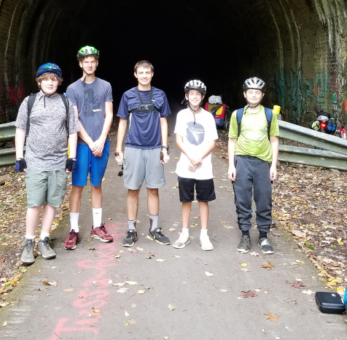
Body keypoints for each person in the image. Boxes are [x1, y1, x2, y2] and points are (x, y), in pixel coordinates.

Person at [15, 63, 79, 265]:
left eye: (54, 79)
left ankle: (44, 239)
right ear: (39, 81)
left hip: (58, 161)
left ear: (58, 82)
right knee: (35, 203)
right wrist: (19, 156)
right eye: (46, 79)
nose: (50, 82)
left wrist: (72, 157)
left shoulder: (66, 103)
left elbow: (72, 131)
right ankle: (28, 242)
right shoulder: (29, 102)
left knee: (52, 202)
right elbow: (20, 130)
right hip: (35, 160)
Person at [115, 60, 171, 247]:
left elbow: (164, 122)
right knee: (133, 189)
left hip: (154, 147)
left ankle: (154, 228)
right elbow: (122, 122)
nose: (145, 75)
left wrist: (164, 147)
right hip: (133, 147)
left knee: (153, 189)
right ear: (135, 74)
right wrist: (119, 149)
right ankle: (131, 229)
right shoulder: (128, 95)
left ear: (152, 74)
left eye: (148, 72)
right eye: (141, 72)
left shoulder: (160, 95)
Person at [64, 46, 114, 249]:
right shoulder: (73, 89)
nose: (90, 64)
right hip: (82, 145)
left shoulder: (105, 86)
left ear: (97, 63)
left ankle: (97, 225)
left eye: (93, 60)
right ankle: (74, 229)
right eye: (86, 61)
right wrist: (91, 142)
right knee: (77, 186)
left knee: (96, 184)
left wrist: (101, 139)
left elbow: (109, 114)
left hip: (101, 142)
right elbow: (74, 119)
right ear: (80, 64)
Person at [228, 77, 279, 255]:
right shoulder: (238, 115)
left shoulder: (269, 115)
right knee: (242, 200)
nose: (254, 95)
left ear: (262, 95)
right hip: (242, 161)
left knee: (264, 200)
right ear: (244, 94)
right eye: (250, 92)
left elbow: (274, 140)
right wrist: (231, 165)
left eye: (257, 92)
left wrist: (273, 165)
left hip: (262, 163)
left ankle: (263, 236)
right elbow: (232, 140)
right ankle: (245, 235)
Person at [173, 80, 218, 250]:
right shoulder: (181, 115)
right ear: (186, 96)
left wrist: (198, 159)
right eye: (191, 94)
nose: (194, 97)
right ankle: (184, 233)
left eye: (198, 94)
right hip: (186, 166)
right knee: (186, 200)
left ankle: (204, 235)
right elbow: (179, 139)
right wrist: (191, 158)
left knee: (203, 200)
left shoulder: (208, 117)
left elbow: (212, 142)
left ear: (202, 97)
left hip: (204, 167)